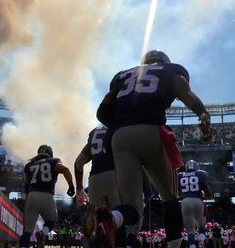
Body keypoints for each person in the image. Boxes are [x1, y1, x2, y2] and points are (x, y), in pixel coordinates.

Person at [95, 50, 212, 248]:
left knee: (131, 202)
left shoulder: (123, 75)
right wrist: (202, 113)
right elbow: (185, 93)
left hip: (120, 136)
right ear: (165, 62)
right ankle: (174, 245)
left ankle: (113, 219)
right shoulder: (171, 71)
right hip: (152, 130)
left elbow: (102, 112)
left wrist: (121, 123)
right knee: (170, 198)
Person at [19, 145, 76, 248]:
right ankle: (42, 233)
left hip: (31, 195)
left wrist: (29, 197)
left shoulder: (29, 165)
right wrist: (71, 186)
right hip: (47, 195)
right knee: (51, 222)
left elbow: (26, 184)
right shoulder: (54, 161)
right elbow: (65, 169)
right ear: (50, 153)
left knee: (27, 231)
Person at [74, 125, 116, 208]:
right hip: (115, 176)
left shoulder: (96, 132)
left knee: (98, 217)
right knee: (120, 215)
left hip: (95, 180)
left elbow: (78, 162)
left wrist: (79, 189)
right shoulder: (117, 126)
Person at [178, 160, 211, 248]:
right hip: (197, 200)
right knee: (201, 223)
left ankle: (192, 245)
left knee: (190, 229)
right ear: (196, 167)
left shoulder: (180, 175)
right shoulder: (200, 174)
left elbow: (177, 191)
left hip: (185, 202)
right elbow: (208, 193)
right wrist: (205, 196)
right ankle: (201, 239)